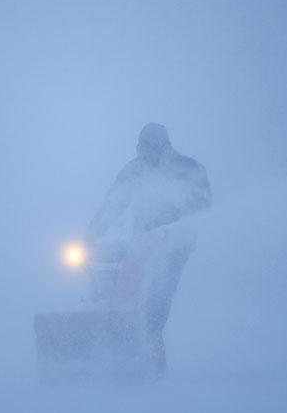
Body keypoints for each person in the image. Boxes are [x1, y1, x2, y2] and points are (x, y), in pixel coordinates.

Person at [85, 122, 211, 375]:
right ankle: (116, 352)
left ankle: (152, 356)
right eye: (142, 149)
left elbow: (203, 203)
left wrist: (175, 227)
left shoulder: (187, 168)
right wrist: (92, 232)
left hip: (175, 245)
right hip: (141, 243)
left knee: (156, 299)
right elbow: (114, 203)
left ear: (164, 146)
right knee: (120, 294)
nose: (147, 155)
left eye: (151, 149)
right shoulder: (134, 170)